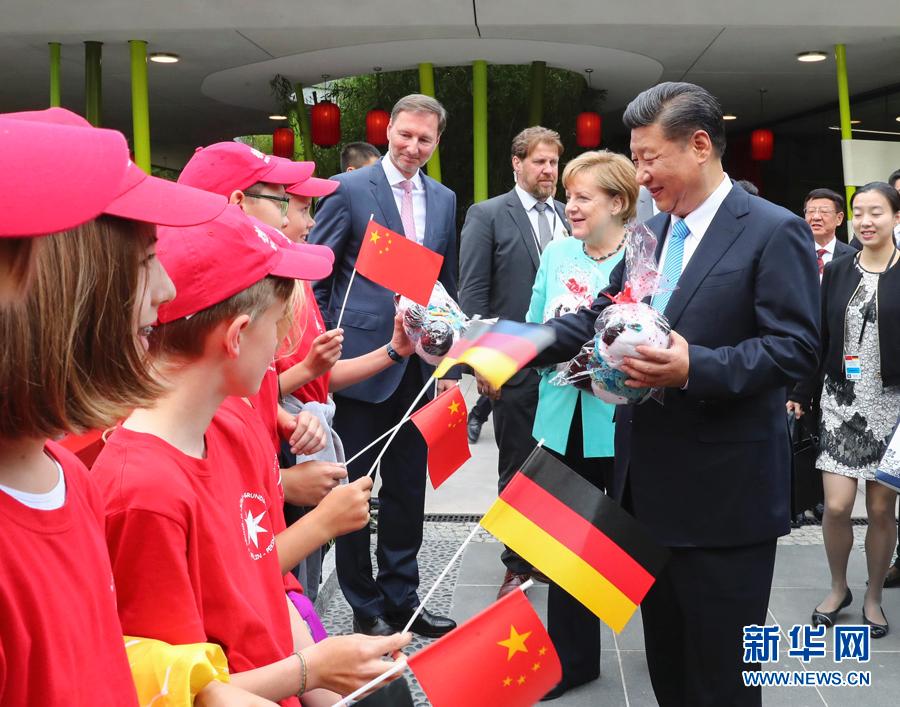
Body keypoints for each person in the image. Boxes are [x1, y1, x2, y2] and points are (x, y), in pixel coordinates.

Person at [525, 82, 820, 707]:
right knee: (670, 668)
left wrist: (694, 367)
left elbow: (795, 349)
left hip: (725, 498)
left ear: (700, 145)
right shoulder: (650, 237)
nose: (640, 173)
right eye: (635, 157)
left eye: (649, 157)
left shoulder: (772, 230)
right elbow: (598, 317)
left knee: (724, 676)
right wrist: (505, 343)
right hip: (646, 496)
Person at [0, 108, 281, 707]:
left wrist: (206, 691)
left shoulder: (67, 477)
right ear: (55, 289)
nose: (167, 291)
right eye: (142, 263)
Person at [91, 206, 411, 706]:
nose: (285, 347)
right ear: (237, 336)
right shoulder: (142, 494)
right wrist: (312, 670)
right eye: (280, 327)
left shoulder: (235, 425)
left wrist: (323, 687)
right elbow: (181, 692)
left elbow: (263, 582)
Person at [309, 94, 459, 639]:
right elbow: (319, 277)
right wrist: (325, 348)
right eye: (405, 135)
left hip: (420, 366)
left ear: (437, 142)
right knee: (352, 487)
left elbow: (448, 276)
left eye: (425, 139)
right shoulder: (348, 189)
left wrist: (449, 346)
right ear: (388, 130)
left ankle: (403, 598)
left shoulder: (444, 198)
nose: (413, 146)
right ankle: (362, 602)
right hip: (362, 363)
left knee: (407, 488)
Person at [525, 150, 636, 700]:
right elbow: (534, 323)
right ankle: (570, 659)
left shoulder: (642, 259)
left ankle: (584, 652)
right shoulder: (557, 252)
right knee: (555, 544)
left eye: (583, 196)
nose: (570, 206)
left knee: (599, 544)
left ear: (618, 202)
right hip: (555, 413)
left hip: (612, 422)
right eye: (569, 196)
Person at [459, 126, 570, 599]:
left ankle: (549, 556)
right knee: (518, 467)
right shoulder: (487, 215)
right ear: (516, 164)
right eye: (540, 162)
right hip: (514, 365)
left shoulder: (570, 216)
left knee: (558, 467)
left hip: (566, 368)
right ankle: (517, 565)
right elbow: (473, 294)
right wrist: (483, 363)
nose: (548, 171)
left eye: (553, 163)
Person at [789, 182, 900, 638]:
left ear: (895, 217)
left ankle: (873, 595)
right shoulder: (837, 270)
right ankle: (839, 588)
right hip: (840, 400)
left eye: (877, 212)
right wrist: (800, 390)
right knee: (835, 506)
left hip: (891, 406)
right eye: (859, 213)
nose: (866, 221)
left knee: (879, 509)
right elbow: (818, 337)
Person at [802, 188, 856, 280]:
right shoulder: (794, 252)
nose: (816, 217)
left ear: (839, 218)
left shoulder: (853, 257)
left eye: (824, 212)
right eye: (811, 211)